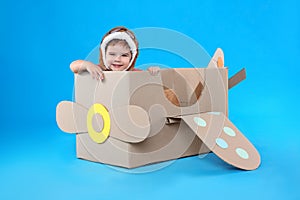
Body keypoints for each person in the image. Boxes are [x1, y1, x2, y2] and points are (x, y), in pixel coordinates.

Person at [70, 26, 159, 80]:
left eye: (124, 55)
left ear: (132, 58)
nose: (117, 59)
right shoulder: (99, 70)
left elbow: (148, 83)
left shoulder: (134, 73)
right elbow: (73, 66)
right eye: (112, 54)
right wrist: (87, 65)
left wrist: (151, 72)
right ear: (104, 55)